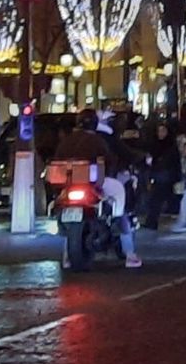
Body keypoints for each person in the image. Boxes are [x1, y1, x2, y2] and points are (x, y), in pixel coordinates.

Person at [53, 109, 141, 268]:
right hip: (94, 184)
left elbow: (57, 160)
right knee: (119, 200)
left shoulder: (66, 141)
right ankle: (130, 253)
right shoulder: (97, 141)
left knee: (66, 219)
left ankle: (66, 257)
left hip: (70, 184)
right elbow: (109, 159)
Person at [143, 122, 181, 230]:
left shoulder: (170, 145)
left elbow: (174, 161)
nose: (161, 133)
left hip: (165, 175)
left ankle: (152, 221)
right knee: (162, 198)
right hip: (160, 174)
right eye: (159, 131)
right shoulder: (156, 144)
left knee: (157, 199)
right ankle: (152, 221)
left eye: (163, 131)